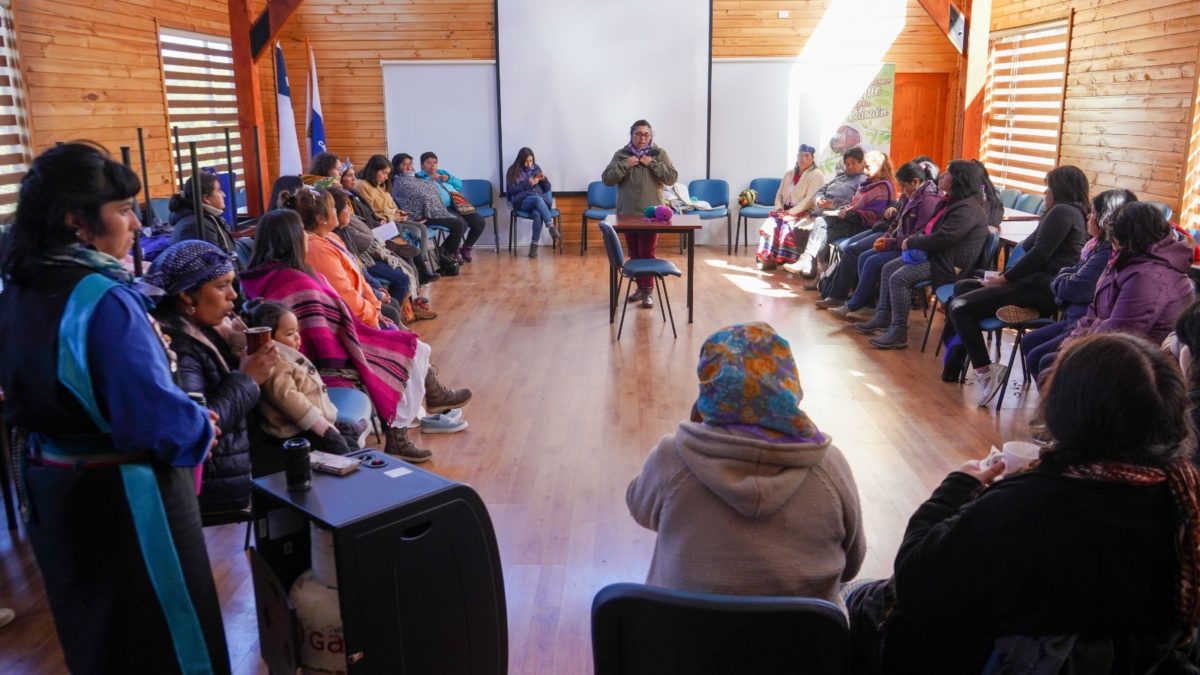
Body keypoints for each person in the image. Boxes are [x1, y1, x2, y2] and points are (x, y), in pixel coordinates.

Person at [0, 143, 230, 673]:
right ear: (76, 221)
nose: (133, 224)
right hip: (127, 496)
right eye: (123, 211)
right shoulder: (103, 298)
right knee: (166, 638)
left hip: (52, 487)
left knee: (95, 633)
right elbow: (155, 419)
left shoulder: (19, 285)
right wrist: (199, 423)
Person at [848, 333, 1200, 673]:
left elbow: (913, 583)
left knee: (855, 596)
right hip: (1123, 660)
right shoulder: (1184, 499)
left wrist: (956, 487)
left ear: (1065, 409)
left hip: (992, 657)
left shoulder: (1028, 506)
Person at [626, 322, 865, 602]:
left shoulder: (673, 456)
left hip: (685, 639)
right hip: (803, 641)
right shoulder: (829, 466)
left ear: (709, 384)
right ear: (789, 383)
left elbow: (639, 507)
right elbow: (851, 564)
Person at [241, 209, 472, 462]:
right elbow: (323, 319)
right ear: (291, 239)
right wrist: (365, 326)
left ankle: (424, 405)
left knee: (413, 346)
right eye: (301, 233)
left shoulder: (260, 275)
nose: (306, 238)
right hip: (326, 354)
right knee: (407, 351)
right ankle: (399, 433)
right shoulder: (293, 280)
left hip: (330, 340)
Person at [145, 240, 277, 516]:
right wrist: (248, 379)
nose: (234, 296)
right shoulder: (178, 346)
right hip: (217, 480)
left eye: (232, 284)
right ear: (187, 296)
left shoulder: (209, 328)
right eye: (221, 286)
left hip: (239, 459)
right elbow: (201, 423)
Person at [946, 165, 1090, 406]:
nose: (1045, 193)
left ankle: (985, 372)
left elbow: (1039, 256)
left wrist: (1004, 279)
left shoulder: (1063, 212)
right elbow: (1029, 245)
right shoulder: (1066, 213)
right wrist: (1002, 275)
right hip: (1034, 283)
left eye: (1049, 187)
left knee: (960, 306)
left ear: (1060, 189)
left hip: (1041, 289)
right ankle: (954, 365)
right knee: (964, 287)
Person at [852, 159, 992, 351]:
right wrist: (912, 240)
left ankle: (899, 332)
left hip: (947, 264)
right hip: (937, 256)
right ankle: (883, 315)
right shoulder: (952, 201)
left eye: (948, 173)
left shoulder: (967, 208)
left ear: (959, 180)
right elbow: (930, 231)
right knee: (887, 268)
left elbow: (942, 239)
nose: (943, 175)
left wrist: (911, 242)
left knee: (899, 278)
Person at [1017, 189, 1129, 383]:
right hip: (1075, 317)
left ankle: (1058, 407)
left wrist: (1063, 281)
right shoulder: (1095, 245)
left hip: (1086, 322)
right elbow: (1068, 274)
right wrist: (1064, 280)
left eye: (1093, 212)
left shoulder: (1106, 252)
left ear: (1105, 219)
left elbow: (1076, 287)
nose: (1088, 216)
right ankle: (1052, 404)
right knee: (1029, 341)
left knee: (1041, 359)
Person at [828, 158, 941, 321]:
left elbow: (917, 235)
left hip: (912, 249)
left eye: (903, 186)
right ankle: (865, 305)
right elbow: (897, 220)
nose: (901, 190)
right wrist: (888, 235)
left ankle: (855, 305)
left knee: (872, 261)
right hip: (897, 240)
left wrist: (889, 242)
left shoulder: (928, 200)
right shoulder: (912, 194)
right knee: (864, 256)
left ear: (915, 182)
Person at [243, 300, 350, 461]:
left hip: (315, 422)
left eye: (297, 331)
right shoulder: (274, 361)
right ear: (268, 338)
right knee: (344, 453)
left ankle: (346, 430)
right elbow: (287, 397)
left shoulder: (287, 355)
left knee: (350, 443)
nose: (297, 338)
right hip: (298, 430)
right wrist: (320, 425)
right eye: (289, 334)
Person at [601, 119, 679, 309]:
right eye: (638, 134)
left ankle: (648, 292)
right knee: (634, 253)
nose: (642, 138)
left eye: (646, 134)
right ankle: (640, 287)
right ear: (632, 135)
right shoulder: (621, 155)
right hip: (627, 213)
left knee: (647, 252)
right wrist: (625, 164)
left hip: (653, 215)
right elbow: (607, 179)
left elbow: (671, 177)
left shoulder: (659, 154)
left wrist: (652, 163)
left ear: (651, 136)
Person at [781, 147, 869, 276]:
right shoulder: (840, 177)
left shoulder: (863, 181)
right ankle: (811, 269)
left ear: (862, 163)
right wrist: (819, 200)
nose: (849, 167)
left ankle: (810, 265)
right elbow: (821, 190)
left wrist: (833, 204)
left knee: (820, 225)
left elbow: (855, 204)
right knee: (801, 227)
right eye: (847, 164)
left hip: (846, 221)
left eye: (853, 163)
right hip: (826, 214)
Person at [391, 152, 469, 270]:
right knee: (458, 224)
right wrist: (430, 187)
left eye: (410, 164)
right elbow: (422, 195)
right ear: (397, 167)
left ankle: (443, 252)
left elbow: (429, 189)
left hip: (432, 210)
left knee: (463, 222)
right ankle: (444, 254)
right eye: (404, 165)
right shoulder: (399, 182)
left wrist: (431, 188)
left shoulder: (414, 178)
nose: (408, 167)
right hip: (420, 215)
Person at [755, 144, 825, 269]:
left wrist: (790, 213)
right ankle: (770, 259)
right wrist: (779, 209)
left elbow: (809, 200)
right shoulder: (789, 173)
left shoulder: (817, 174)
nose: (802, 158)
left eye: (806, 155)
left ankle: (789, 261)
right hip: (785, 211)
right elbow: (779, 194)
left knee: (787, 225)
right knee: (770, 224)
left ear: (812, 158)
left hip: (805, 212)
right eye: (800, 155)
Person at [416, 151, 486, 262]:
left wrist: (449, 179)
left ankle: (466, 248)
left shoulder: (442, 172)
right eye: (429, 162)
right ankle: (449, 251)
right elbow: (421, 195)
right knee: (461, 223)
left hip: (457, 203)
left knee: (480, 222)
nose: (432, 165)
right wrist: (430, 181)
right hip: (440, 208)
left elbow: (459, 185)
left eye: (434, 162)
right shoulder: (419, 177)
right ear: (422, 165)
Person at [169, 170, 237, 259]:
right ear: (206, 198)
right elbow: (214, 266)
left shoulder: (208, 219)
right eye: (219, 190)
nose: (223, 195)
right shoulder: (198, 225)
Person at [505, 147, 560, 257]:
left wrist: (544, 179)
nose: (529, 164)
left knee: (537, 213)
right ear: (520, 160)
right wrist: (527, 184)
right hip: (522, 201)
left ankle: (533, 247)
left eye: (531, 161)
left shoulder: (537, 168)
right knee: (537, 199)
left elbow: (547, 188)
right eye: (526, 161)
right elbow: (511, 191)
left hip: (539, 200)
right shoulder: (512, 171)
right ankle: (550, 226)